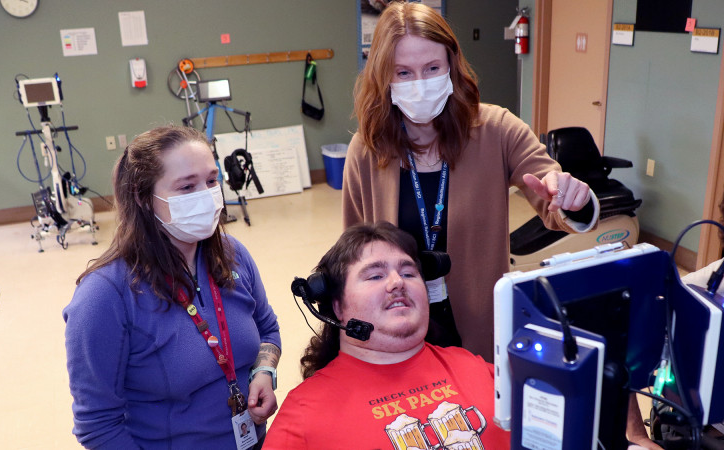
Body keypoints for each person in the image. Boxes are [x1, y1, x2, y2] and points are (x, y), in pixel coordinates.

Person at [342, 1, 599, 360]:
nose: (420, 84)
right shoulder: (367, 148)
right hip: (395, 328)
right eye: (403, 73)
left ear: (451, 65)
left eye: (432, 68)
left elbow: (549, 189)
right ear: (384, 77)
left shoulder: (496, 129)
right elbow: (354, 253)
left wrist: (572, 198)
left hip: (477, 327)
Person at [63, 125, 281, 449]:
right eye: (186, 186)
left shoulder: (233, 255)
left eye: (211, 181)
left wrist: (263, 371)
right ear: (143, 197)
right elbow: (98, 427)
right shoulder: (104, 296)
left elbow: (268, 328)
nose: (206, 196)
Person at [263, 222, 510, 449]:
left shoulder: (477, 367)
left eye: (408, 273)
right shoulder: (305, 414)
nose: (396, 282)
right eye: (376, 276)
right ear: (337, 306)